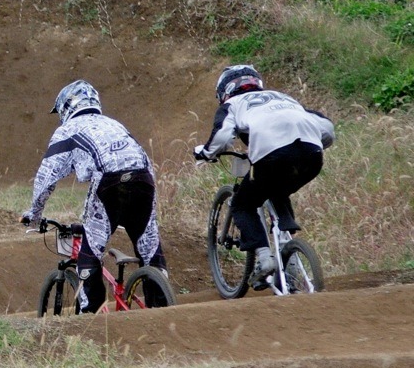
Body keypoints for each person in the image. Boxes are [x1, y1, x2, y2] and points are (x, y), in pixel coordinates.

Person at [20, 79, 168, 313]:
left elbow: (46, 177)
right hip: (144, 180)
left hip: (109, 182)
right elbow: (141, 158)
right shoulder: (113, 124)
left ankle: (91, 317)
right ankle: (164, 308)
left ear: (66, 107)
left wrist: (34, 213)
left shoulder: (67, 130)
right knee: (148, 247)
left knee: (91, 251)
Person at [194, 65, 335, 289]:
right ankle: (286, 247)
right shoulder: (284, 97)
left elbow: (221, 138)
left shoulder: (233, 104)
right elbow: (327, 128)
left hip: (273, 157)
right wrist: (313, 146)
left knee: (242, 204)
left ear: (224, 90)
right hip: (311, 154)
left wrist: (204, 152)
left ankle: (264, 258)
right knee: (277, 189)